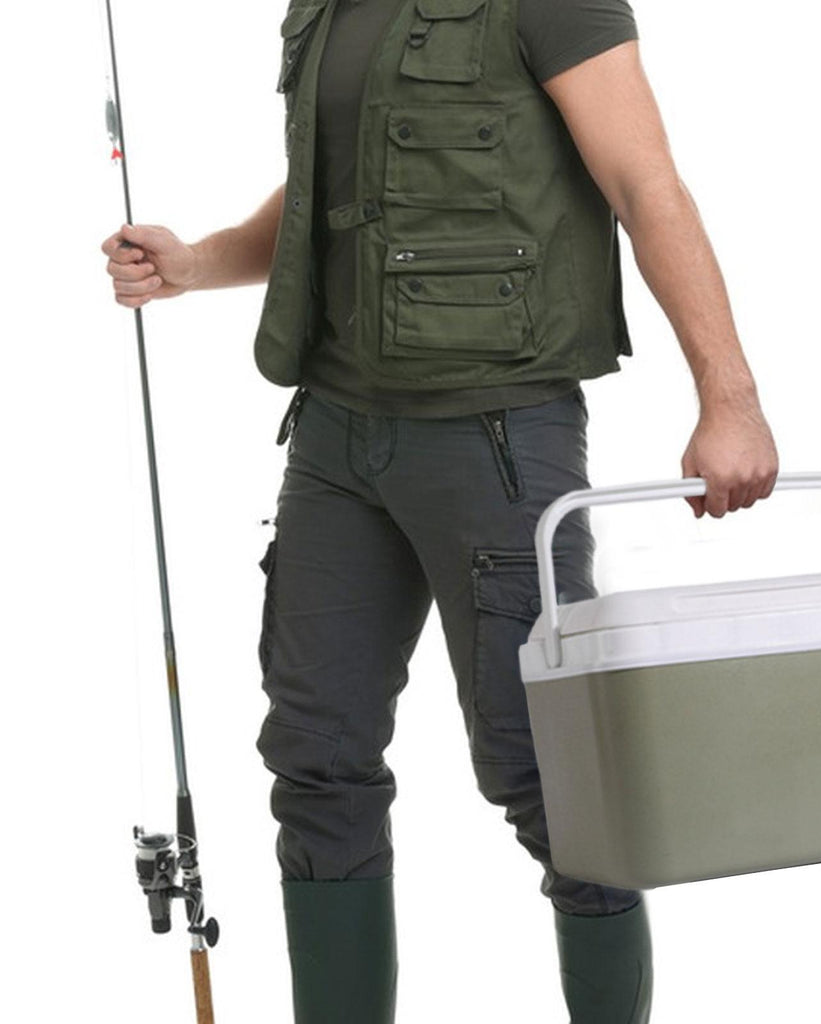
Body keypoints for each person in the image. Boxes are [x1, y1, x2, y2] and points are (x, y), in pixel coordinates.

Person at [101, 1, 779, 1020]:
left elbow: (645, 184)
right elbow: (332, 190)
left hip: (495, 437)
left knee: (551, 772)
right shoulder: (328, 6)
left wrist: (729, 398)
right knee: (317, 762)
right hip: (334, 439)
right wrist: (198, 262)